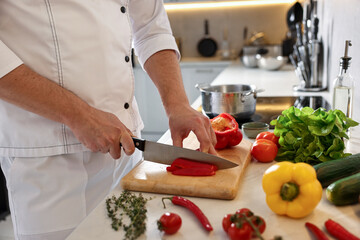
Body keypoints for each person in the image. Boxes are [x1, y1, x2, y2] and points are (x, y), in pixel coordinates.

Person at [0, 1, 217, 239]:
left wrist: (177, 104)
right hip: (48, 163)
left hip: (125, 148)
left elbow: (151, 28)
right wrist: (79, 114)